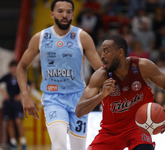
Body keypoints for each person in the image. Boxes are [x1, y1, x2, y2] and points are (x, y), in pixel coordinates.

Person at [16, 0, 103, 150]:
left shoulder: (82, 37)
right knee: (59, 146)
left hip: (79, 100)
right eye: (60, 11)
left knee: (78, 148)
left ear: (73, 14)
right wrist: (25, 95)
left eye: (68, 11)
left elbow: (100, 69)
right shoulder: (40, 38)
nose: (65, 15)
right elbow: (21, 67)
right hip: (53, 99)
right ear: (52, 14)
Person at [75, 35, 165, 150]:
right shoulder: (100, 76)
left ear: (120, 52)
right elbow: (79, 111)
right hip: (110, 132)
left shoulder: (142, 67)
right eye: (101, 52)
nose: (102, 56)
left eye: (106, 51)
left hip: (138, 128)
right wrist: (101, 95)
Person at [0, 61, 32, 150]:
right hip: (8, 102)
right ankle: (13, 142)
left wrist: (22, 95)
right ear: (10, 68)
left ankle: (23, 142)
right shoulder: (7, 77)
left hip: (17, 102)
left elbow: (31, 84)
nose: (13, 69)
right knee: (9, 122)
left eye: (15, 67)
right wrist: (3, 93)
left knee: (18, 121)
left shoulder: (21, 76)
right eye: (12, 67)